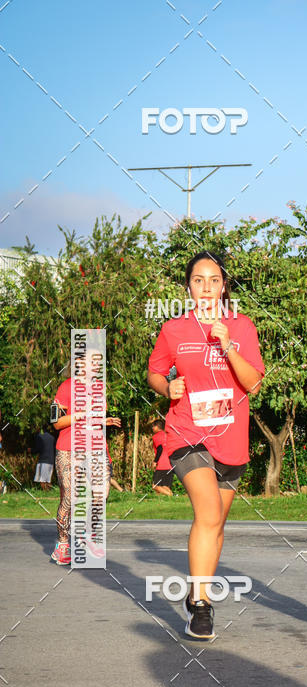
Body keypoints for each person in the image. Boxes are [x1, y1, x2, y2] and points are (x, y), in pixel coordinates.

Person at [148, 251, 264, 640]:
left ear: (224, 286)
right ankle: (201, 604)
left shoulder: (242, 327)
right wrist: (168, 386)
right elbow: (154, 371)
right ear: (189, 287)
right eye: (199, 280)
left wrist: (228, 345)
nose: (207, 287)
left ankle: (198, 592)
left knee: (214, 525)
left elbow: (253, 383)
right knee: (209, 512)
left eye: (214, 280)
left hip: (231, 437)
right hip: (186, 432)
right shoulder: (174, 329)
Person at [51, 368, 121, 565]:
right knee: (70, 495)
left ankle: (86, 532)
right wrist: (83, 413)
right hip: (69, 448)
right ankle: (63, 544)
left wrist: (102, 421)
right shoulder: (66, 387)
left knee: (102, 494)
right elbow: (56, 423)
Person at [151, 420, 174, 496]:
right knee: (165, 486)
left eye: (153, 426)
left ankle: (170, 495)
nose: (152, 428)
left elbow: (160, 449)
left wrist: (155, 461)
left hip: (162, 464)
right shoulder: (167, 435)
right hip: (170, 463)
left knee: (155, 485)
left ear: (157, 426)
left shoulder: (156, 436)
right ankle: (171, 497)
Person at [32, 426, 55, 490]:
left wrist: (31, 450)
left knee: (42, 479)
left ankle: (45, 492)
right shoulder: (52, 437)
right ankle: (49, 492)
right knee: (48, 479)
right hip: (51, 461)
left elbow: (38, 449)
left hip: (43, 460)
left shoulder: (39, 437)